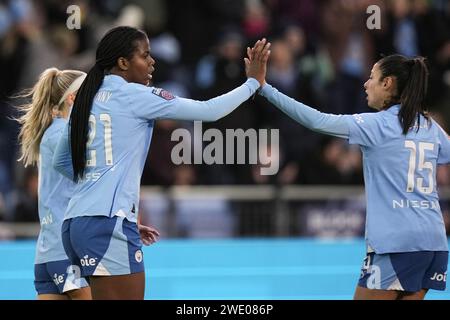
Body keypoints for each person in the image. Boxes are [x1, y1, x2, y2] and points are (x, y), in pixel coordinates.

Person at [53, 26, 270, 300]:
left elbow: (62, 162)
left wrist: (109, 205)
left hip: (76, 223)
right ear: (123, 62)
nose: (152, 62)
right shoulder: (136, 96)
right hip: (107, 224)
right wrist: (252, 83)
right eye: (145, 55)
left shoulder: (86, 99)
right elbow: (209, 111)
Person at [253, 52, 450, 300]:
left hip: (397, 243)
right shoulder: (430, 126)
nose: (366, 84)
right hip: (433, 242)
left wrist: (265, 88)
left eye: (372, 78)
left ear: (387, 83)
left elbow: (318, 121)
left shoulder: (377, 125)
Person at [15, 67, 91, 300]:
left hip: (47, 256)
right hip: (67, 252)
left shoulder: (51, 132)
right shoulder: (63, 134)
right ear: (72, 98)